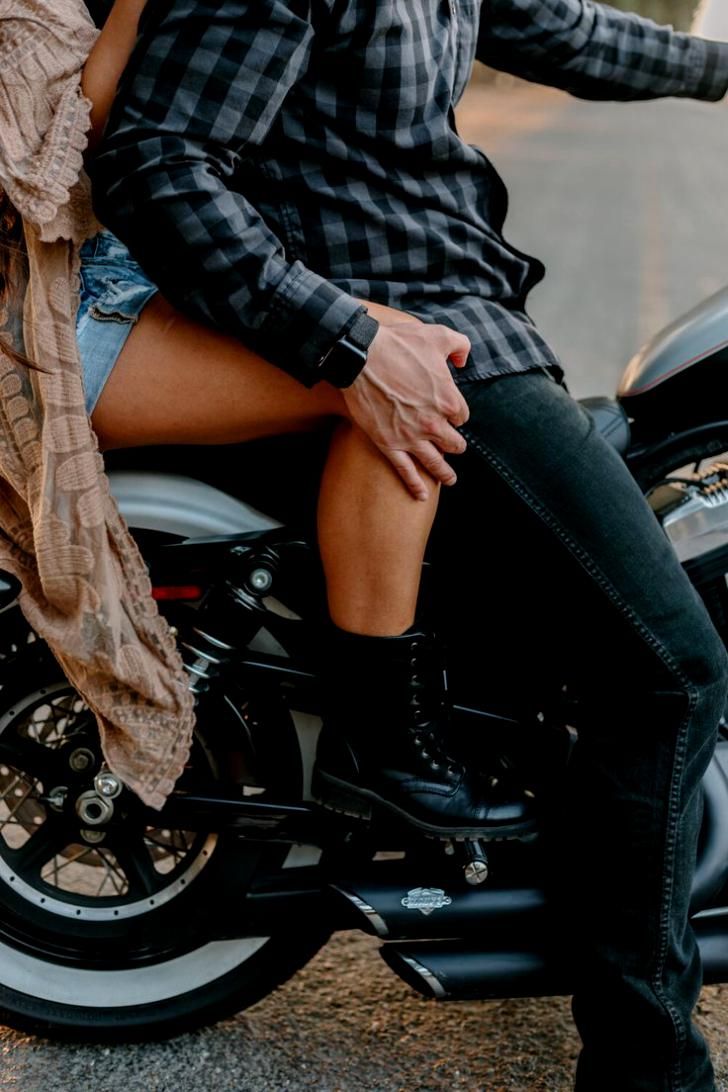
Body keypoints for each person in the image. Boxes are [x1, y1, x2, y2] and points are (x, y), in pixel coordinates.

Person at [91, 1, 728, 1089]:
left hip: (452, 302)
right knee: (667, 672)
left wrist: (718, 68)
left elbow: (555, 30)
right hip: (407, 331)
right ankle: (646, 1068)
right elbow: (157, 157)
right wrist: (344, 340)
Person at [0, 0, 538, 838]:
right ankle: (382, 745)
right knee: (390, 370)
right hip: (40, 318)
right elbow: (77, 153)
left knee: (394, 334)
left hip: (107, 281)